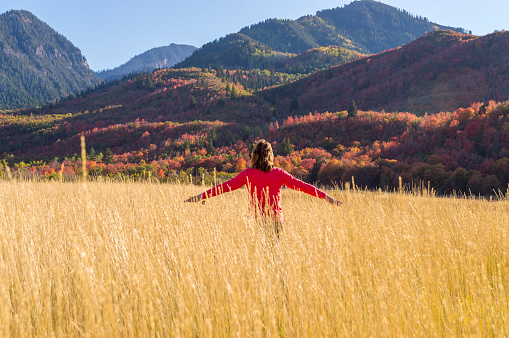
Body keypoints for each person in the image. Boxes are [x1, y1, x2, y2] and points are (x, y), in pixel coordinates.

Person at [184, 139, 342, 235]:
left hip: (258, 221)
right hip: (276, 222)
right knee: (276, 260)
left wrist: (201, 196)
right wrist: (326, 197)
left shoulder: (248, 174)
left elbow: (225, 187)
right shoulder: (279, 173)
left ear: (255, 155)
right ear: (270, 155)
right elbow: (303, 186)